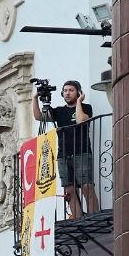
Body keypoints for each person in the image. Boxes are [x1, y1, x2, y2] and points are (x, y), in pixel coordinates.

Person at [39, 80, 97, 219]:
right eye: (65, 90)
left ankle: (94, 216)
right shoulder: (59, 111)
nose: (67, 93)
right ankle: (77, 218)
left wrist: (79, 102)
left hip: (82, 152)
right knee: (69, 189)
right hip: (63, 155)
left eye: (71, 90)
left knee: (86, 186)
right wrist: (35, 98)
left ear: (78, 93)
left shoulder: (86, 107)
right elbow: (38, 117)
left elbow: (81, 120)